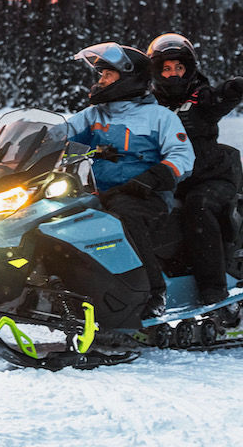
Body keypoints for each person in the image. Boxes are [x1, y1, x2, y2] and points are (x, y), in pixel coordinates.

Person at [59, 42, 195, 318]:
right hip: (100, 194)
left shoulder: (158, 116)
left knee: (124, 216)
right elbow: (62, 137)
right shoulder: (94, 115)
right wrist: (24, 146)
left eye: (108, 75)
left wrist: (152, 178)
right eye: (101, 75)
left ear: (129, 77)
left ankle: (153, 293)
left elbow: (183, 155)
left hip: (147, 196)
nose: (101, 81)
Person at [146, 33, 243, 305]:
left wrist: (231, 90)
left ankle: (213, 292)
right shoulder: (148, 105)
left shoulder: (199, 98)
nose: (173, 74)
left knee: (198, 207)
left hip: (211, 178)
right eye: (166, 69)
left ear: (188, 69)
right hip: (172, 177)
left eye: (178, 68)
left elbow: (217, 100)